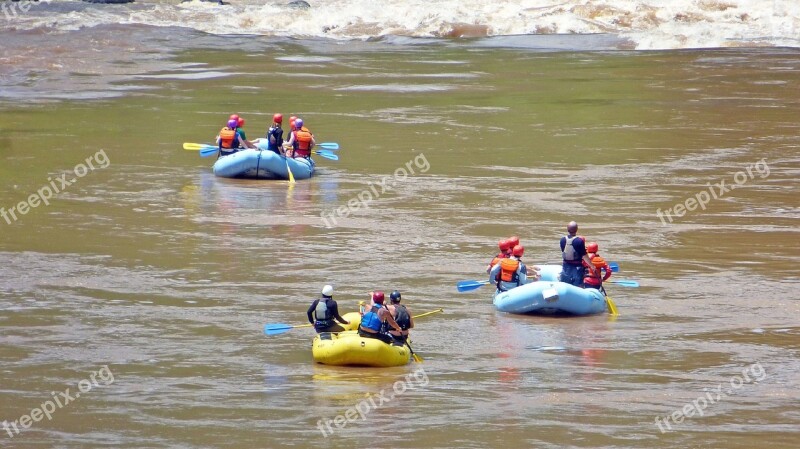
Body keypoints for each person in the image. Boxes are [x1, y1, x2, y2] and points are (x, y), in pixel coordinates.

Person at [559, 221, 596, 287]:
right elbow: (585, 256)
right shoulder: (579, 241)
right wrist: (592, 266)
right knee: (578, 287)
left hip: (565, 267)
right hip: (577, 268)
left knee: (564, 285)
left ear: (567, 229)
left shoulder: (562, 240)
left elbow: (563, 251)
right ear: (576, 229)